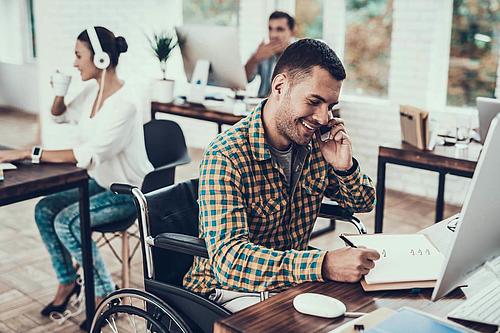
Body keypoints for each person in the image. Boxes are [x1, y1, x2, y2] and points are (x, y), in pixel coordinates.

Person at [184, 39, 380, 312]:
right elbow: (230, 263)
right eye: (314, 101)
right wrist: (323, 264)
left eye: (331, 106)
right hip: (227, 289)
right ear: (279, 87)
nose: (324, 118)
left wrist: (343, 168)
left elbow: (363, 204)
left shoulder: (315, 144)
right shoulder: (227, 155)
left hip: (286, 283)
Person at [0, 26, 153, 322]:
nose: (74, 62)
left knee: (67, 222)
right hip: (99, 182)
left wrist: (25, 153)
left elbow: (86, 156)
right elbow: (59, 115)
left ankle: (105, 296)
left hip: (125, 193)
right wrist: (60, 89)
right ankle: (68, 281)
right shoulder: (92, 92)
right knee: (45, 210)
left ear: (101, 60)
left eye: (78, 55)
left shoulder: (124, 106)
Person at [245, 11, 295, 98]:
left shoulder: (299, 56)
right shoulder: (264, 52)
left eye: (280, 29)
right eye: (270, 29)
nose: (273, 35)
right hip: (260, 104)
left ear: (292, 32)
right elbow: (245, 79)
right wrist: (255, 58)